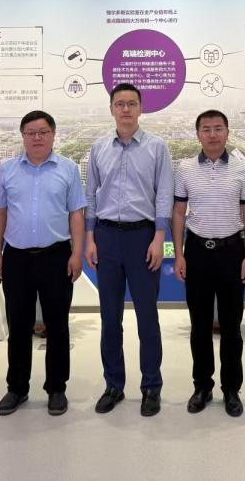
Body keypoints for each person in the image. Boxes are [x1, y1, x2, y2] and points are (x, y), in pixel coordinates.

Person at [0, 110, 86, 417]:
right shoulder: (7, 170)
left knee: (57, 325)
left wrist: (76, 253)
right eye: (30, 132)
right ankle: (17, 388)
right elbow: (0, 212)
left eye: (43, 132)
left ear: (53, 134)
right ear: (23, 136)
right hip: (16, 258)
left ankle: (56, 388)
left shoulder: (68, 169)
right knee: (18, 325)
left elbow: (76, 214)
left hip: (56, 256)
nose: (37, 137)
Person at [85, 83, 172, 416]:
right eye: (119, 104)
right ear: (111, 109)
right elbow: (91, 195)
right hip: (106, 237)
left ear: (140, 108)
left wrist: (158, 238)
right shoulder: (98, 148)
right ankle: (113, 385)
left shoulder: (157, 147)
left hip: (142, 237)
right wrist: (90, 238)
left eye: (131, 103)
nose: (125, 109)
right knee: (110, 318)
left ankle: (151, 386)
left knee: (147, 317)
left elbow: (164, 195)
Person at [172, 110, 245, 417]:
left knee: (232, 327)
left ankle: (231, 389)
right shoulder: (184, 168)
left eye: (218, 128)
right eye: (206, 129)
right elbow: (179, 213)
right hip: (197, 252)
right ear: (198, 134)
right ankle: (202, 386)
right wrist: (179, 254)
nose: (212, 134)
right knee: (200, 326)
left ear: (227, 132)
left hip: (231, 252)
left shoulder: (241, 168)